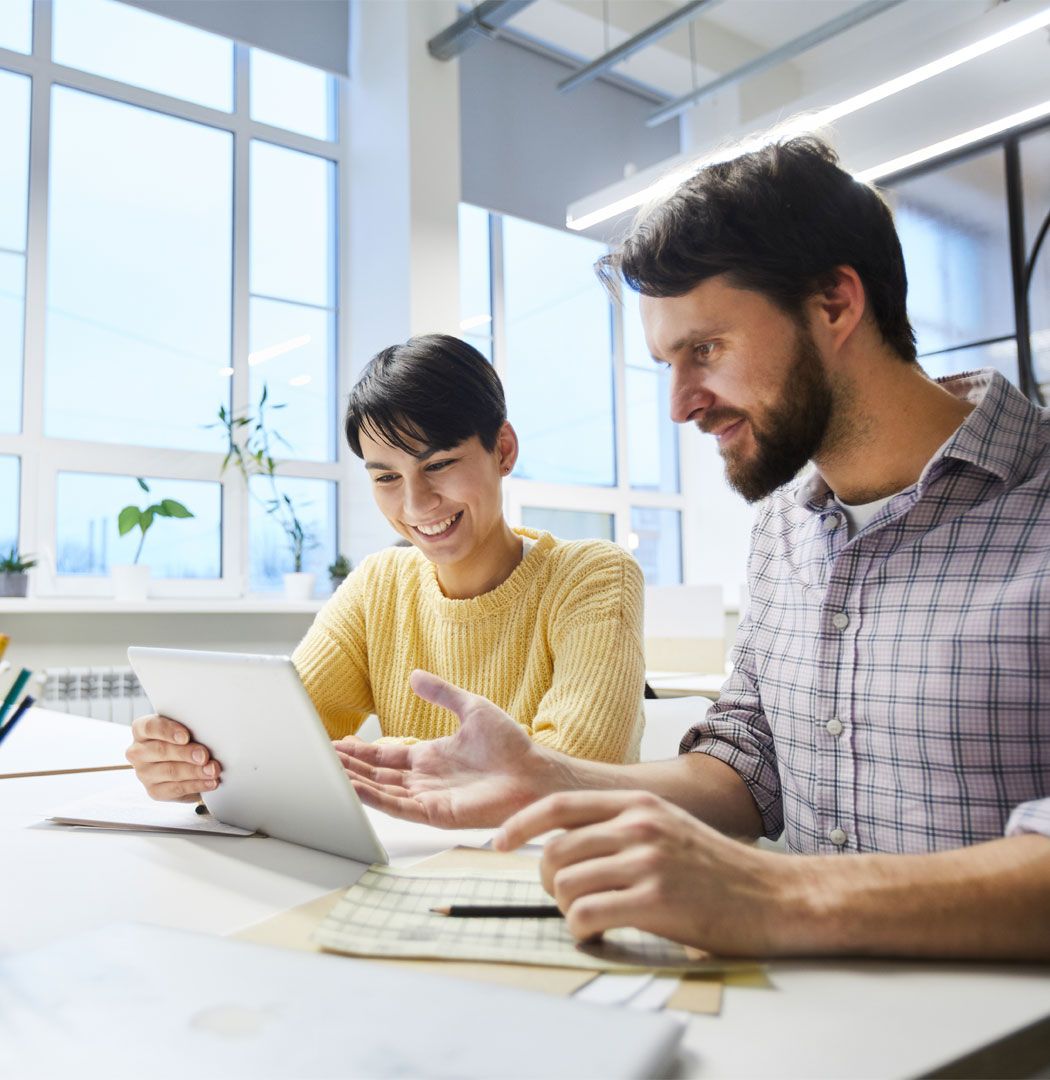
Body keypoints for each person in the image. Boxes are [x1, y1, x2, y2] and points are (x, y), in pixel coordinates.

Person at [338, 137, 1050, 960]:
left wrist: (776, 892)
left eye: (705, 350)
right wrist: (544, 777)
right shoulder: (787, 527)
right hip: (805, 1013)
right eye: (667, 363)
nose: (680, 404)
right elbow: (745, 773)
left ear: (835, 304)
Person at [126, 335, 646, 802]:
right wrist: (197, 767)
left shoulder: (593, 576)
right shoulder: (379, 586)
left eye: (438, 464)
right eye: (386, 478)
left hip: (555, 876)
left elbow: (577, 769)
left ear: (503, 450)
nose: (417, 505)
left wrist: (356, 758)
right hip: (416, 863)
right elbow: (280, 742)